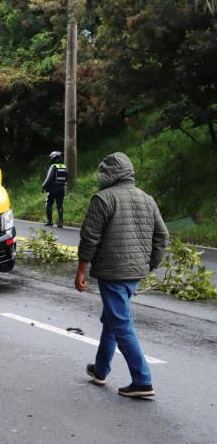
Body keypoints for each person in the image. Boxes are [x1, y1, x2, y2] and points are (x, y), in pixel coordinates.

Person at [75, 152, 169, 398]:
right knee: (113, 320)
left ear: (109, 174)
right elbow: (162, 236)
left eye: (103, 172)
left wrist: (81, 271)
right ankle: (100, 369)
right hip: (134, 273)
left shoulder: (103, 199)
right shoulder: (147, 199)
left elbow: (89, 238)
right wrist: (149, 264)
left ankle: (142, 380)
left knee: (121, 324)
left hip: (113, 272)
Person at [41, 151, 68, 227]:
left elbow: (48, 179)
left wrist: (43, 186)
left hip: (52, 189)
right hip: (61, 189)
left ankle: (50, 221)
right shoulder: (64, 167)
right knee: (60, 205)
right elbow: (67, 178)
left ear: (54, 158)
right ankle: (61, 223)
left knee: (48, 204)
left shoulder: (53, 166)